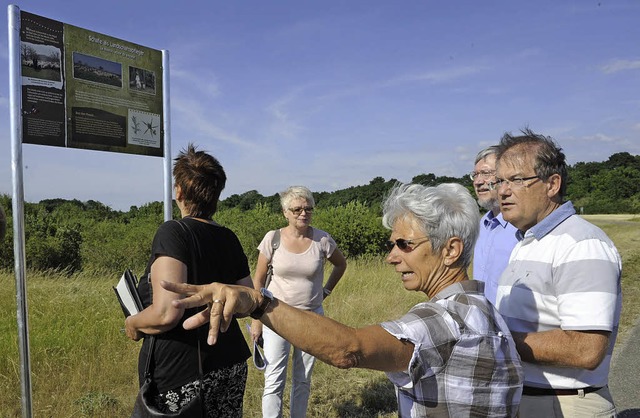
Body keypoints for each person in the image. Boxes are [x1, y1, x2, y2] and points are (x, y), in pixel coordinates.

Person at [163, 182, 524, 417]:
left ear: (451, 250)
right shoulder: (485, 311)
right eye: (391, 244)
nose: (391, 256)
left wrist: (256, 303)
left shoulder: (442, 322)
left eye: (404, 244)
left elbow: (348, 350)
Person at [490, 129, 622, 417]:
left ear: (552, 184)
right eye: (499, 181)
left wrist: (495, 340)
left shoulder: (581, 244)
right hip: (532, 399)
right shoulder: (528, 241)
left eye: (517, 180)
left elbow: (586, 349)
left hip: (565, 403)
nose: (502, 190)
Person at [124, 144, 253, 416]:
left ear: (179, 191)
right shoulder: (229, 237)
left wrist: (132, 323)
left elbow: (166, 313)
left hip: (183, 372)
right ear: (216, 194)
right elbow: (247, 301)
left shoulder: (173, 232)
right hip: (230, 363)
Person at [250, 185, 347, 418]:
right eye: (297, 209)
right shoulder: (272, 239)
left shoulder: (322, 239)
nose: (303, 213)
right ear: (285, 212)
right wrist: (257, 319)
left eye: (308, 209)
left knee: (303, 379)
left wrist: (326, 291)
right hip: (275, 316)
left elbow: (341, 264)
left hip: (311, 317)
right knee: (274, 377)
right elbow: (259, 278)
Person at [470, 145, 519, 305]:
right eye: (475, 175)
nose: (478, 182)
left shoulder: (522, 228)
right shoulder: (479, 226)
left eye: (485, 173)